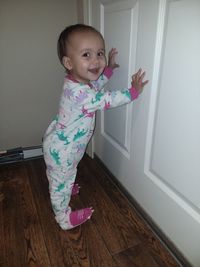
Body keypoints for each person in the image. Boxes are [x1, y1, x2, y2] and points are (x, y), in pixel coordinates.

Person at [43, 24, 148, 230]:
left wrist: (108, 71)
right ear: (68, 62)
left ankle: (64, 183)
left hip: (60, 144)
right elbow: (107, 99)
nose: (96, 60)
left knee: (61, 174)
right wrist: (133, 91)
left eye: (100, 53)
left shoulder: (77, 83)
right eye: (86, 54)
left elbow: (96, 85)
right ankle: (63, 218)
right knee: (59, 185)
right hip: (64, 151)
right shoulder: (82, 95)